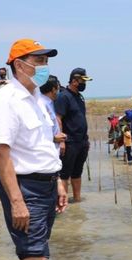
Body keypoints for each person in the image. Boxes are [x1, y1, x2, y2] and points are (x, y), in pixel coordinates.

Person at [0, 38, 68, 260]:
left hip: (45, 184)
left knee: (37, 257)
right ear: (20, 65)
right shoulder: (5, 101)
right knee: (34, 258)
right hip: (24, 188)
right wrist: (17, 201)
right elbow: (1, 153)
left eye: (46, 61)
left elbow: (42, 146)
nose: (44, 67)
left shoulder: (38, 100)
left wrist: (57, 182)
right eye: (39, 61)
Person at [55, 68, 92, 202]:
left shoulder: (79, 97)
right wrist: (62, 141)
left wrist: (86, 141)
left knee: (77, 172)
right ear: (75, 81)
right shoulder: (63, 96)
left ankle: (77, 200)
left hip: (81, 141)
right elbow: (58, 118)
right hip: (69, 142)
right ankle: (62, 203)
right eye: (83, 81)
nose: (84, 84)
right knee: (65, 174)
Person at [40, 75, 67, 150]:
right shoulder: (42, 104)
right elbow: (39, 131)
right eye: (58, 88)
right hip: (47, 149)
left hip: (54, 148)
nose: (58, 91)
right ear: (53, 89)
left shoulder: (50, 102)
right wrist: (53, 138)